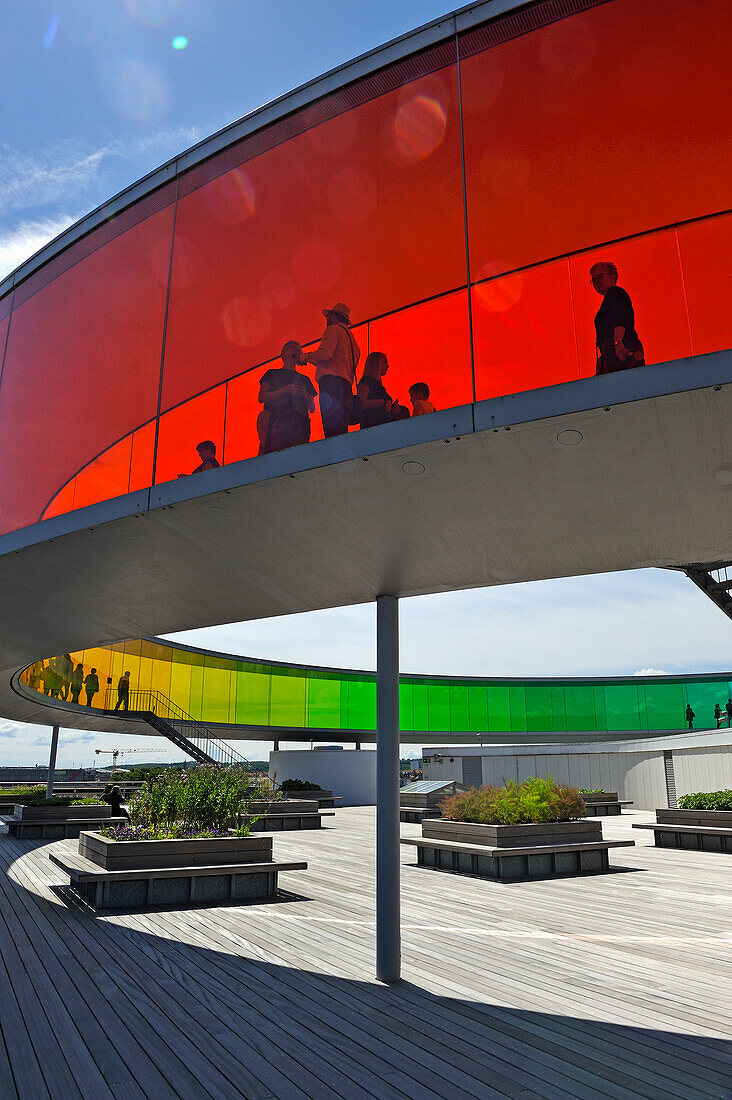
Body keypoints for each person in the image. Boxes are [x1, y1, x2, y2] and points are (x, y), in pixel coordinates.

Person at [305, 302, 360, 438]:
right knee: (341, 432)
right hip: (347, 388)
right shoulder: (354, 343)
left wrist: (304, 357)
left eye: (328, 316)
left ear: (333, 316)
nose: (327, 319)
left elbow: (325, 354)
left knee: (332, 432)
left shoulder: (333, 330)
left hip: (331, 386)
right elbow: (337, 362)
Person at [258, 341, 317, 453]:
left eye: (297, 348)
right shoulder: (271, 374)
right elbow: (261, 397)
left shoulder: (305, 379)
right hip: (277, 421)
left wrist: (305, 394)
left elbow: (312, 408)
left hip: (300, 425)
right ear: (283, 354)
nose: (293, 349)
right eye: (289, 347)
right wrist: (284, 390)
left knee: (297, 458)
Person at [590, 262, 645, 375]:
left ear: (613, 276)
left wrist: (618, 343)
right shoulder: (611, 297)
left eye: (600, 276)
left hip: (619, 349)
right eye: (594, 280)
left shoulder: (615, 292)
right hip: (614, 351)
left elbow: (620, 318)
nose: (596, 282)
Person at [358, 352, 395, 429]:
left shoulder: (377, 385)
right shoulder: (366, 381)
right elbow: (361, 404)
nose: (387, 366)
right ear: (377, 363)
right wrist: (384, 402)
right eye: (385, 362)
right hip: (371, 427)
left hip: (379, 427)